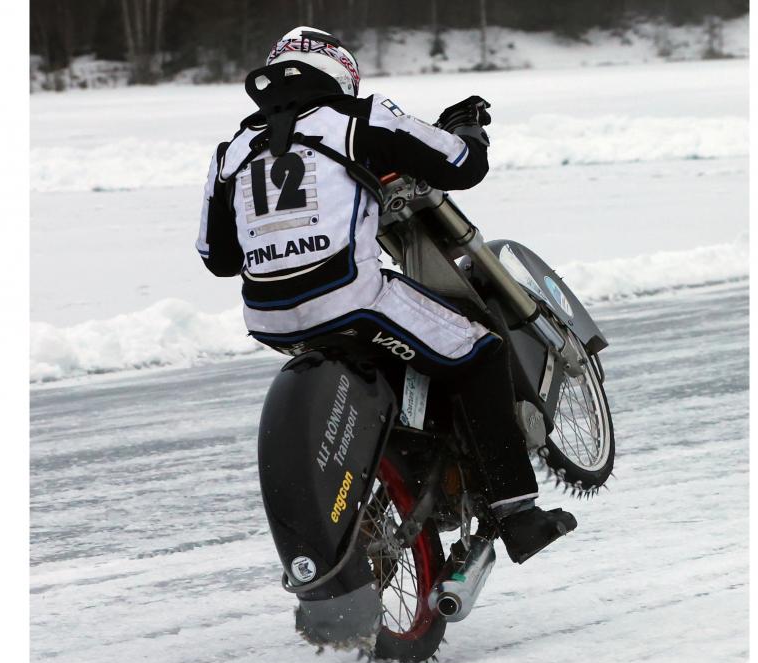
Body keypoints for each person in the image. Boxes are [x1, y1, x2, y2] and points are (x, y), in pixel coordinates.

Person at [196, 26, 575, 564]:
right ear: (340, 73)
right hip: (350, 296)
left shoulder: (231, 151)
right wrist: (468, 129)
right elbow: (463, 167)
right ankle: (516, 512)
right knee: (479, 350)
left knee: (416, 339)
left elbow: (218, 258)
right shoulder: (359, 118)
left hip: (270, 318)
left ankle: (417, 457)